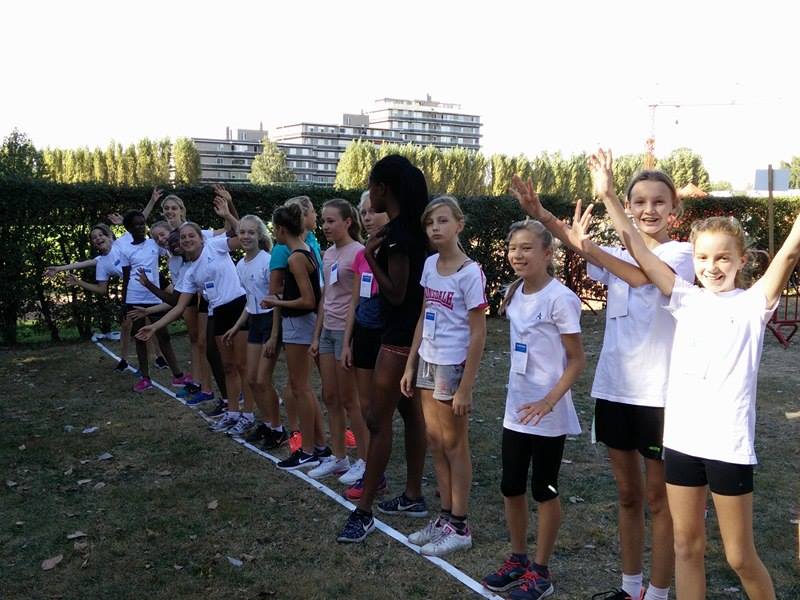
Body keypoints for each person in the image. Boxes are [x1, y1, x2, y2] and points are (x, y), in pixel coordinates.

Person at [589, 148, 790, 600]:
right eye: (703, 259)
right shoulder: (683, 297)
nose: (711, 267)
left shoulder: (753, 304)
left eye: (722, 258)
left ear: (742, 260)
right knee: (685, 546)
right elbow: (636, 247)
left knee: (739, 557)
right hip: (681, 442)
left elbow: (792, 248)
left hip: (728, 446)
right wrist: (607, 196)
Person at [510, 166, 694, 600]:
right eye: (639, 202)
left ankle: (658, 593)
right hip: (614, 389)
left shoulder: (682, 254)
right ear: (630, 206)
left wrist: (606, 202)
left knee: (658, 500)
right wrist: (541, 214)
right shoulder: (620, 252)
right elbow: (585, 247)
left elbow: (639, 274)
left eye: (659, 201)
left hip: (661, 396)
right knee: (628, 496)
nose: (649, 209)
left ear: (674, 207)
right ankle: (630, 588)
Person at [480, 219, 585, 599]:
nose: (517, 255)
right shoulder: (514, 292)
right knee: (510, 485)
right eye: (513, 248)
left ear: (547, 252)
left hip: (548, 413)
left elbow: (577, 360)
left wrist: (548, 401)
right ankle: (518, 558)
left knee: (544, 489)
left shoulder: (560, 299)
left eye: (526, 248)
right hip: (517, 408)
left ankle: (541, 572)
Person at [337, 155, 429, 544]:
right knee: (408, 412)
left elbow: (396, 293)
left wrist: (369, 257)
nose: (369, 194)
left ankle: (364, 511)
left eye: (370, 186)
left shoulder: (398, 236)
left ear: (382, 189)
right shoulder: (406, 229)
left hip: (400, 338)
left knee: (377, 418)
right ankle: (413, 495)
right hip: (407, 334)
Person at [400, 196, 487, 557]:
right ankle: (446, 517)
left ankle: (460, 525)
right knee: (435, 441)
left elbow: (479, 333)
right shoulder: (429, 265)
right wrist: (410, 363)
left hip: (453, 365)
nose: (435, 228)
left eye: (442, 220)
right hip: (428, 360)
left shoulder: (470, 272)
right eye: (430, 223)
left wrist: (466, 386)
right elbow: (425, 314)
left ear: (459, 224)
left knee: (454, 444)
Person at [135, 198, 254, 432]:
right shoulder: (188, 273)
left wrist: (228, 215)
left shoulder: (215, 246)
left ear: (201, 238)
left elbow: (243, 239)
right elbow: (179, 307)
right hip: (217, 314)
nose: (187, 239)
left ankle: (248, 415)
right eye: (183, 237)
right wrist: (154, 326)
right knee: (228, 367)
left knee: (242, 366)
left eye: (192, 236)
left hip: (238, 307)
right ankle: (232, 412)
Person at [260, 204, 329, 470]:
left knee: (301, 388)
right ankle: (319, 445)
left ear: (280, 229)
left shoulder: (296, 258)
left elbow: (308, 300)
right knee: (302, 387)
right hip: (298, 324)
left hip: (300, 324)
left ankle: (308, 450)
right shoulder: (305, 250)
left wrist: (276, 302)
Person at [308, 199, 369, 480]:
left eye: (331, 221)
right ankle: (340, 457)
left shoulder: (359, 253)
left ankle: (365, 460)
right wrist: (316, 335)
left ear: (348, 222)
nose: (325, 226)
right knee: (330, 396)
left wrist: (348, 341)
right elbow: (326, 296)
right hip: (327, 332)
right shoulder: (328, 253)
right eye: (323, 221)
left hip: (346, 332)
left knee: (349, 400)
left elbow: (359, 300)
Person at [340, 191, 390, 495]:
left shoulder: (397, 250)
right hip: (364, 335)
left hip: (390, 337)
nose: (368, 217)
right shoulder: (362, 255)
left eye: (374, 211)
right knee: (367, 406)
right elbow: (355, 302)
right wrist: (347, 342)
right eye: (364, 212)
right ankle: (373, 472)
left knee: (389, 410)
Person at [222, 215, 287, 446]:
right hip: (255, 323)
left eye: (251, 232)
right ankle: (268, 423)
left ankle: (278, 428)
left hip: (270, 321)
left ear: (260, 235)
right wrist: (236, 326)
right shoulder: (240, 265)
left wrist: (274, 335)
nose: (246, 236)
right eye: (242, 232)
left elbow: (276, 300)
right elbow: (251, 302)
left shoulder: (268, 261)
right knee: (251, 379)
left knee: (262, 380)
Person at [118, 210, 185, 392]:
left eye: (143, 223)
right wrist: (124, 303)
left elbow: (173, 251)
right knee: (140, 338)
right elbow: (126, 277)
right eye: (137, 224)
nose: (141, 227)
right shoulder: (125, 249)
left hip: (155, 296)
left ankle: (178, 375)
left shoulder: (153, 243)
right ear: (129, 228)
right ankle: (145, 377)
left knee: (163, 336)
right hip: (134, 297)